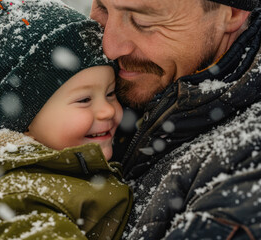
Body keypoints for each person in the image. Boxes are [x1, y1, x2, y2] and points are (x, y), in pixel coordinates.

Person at [0, 1, 133, 239]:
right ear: (22, 120)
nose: (107, 110)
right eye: (84, 99)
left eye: (111, 93)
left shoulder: (61, 169)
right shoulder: (13, 205)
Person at [90, 0, 261, 239]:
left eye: (143, 21)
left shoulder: (247, 169)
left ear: (231, 13)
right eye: (102, 9)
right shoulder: (94, 79)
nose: (110, 47)